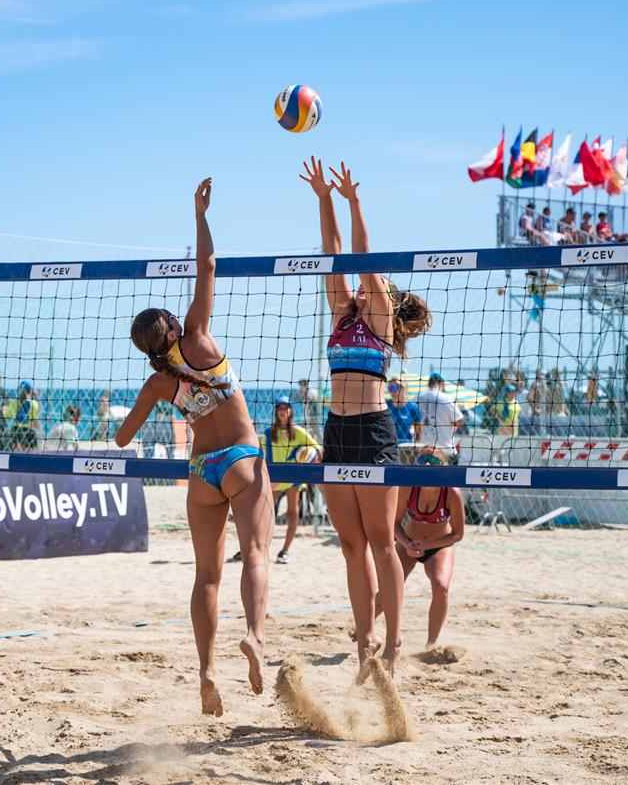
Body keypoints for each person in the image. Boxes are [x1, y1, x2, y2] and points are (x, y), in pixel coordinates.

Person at [115, 177, 272, 716]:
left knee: (207, 576)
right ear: (173, 328)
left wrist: (153, 399)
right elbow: (207, 266)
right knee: (255, 554)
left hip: (202, 470)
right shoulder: (198, 337)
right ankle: (254, 636)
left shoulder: (158, 384)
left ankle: (207, 671)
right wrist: (200, 213)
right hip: (243, 460)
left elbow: (123, 437)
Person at [302, 156, 432, 679]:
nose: (359, 288)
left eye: (371, 285)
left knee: (382, 543)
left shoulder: (379, 317)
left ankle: (395, 644)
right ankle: (365, 644)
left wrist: (354, 201)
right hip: (337, 430)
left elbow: (361, 260)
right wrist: (323, 200)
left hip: (375, 431)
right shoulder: (341, 315)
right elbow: (333, 257)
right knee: (351, 546)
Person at [374, 448, 465, 650]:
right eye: (422, 459)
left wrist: (427, 545)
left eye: (433, 460)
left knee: (441, 587)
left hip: (439, 546)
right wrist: (407, 543)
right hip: (409, 541)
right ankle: (364, 626)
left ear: (443, 467)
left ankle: (431, 645)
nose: (427, 464)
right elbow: (393, 523)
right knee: (390, 585)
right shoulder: (409, 487)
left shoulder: (451, 492)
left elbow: (458, 534)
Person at [265, 396, 320, 565]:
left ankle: (285, 551)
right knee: (265, 515)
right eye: (280, 408)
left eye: (286, 408)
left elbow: (318, 449)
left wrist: (309, 459)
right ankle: (257, 547)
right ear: (276, 411)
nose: (283, 411)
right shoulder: (269, 433)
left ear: (291, 411)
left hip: (293, 478)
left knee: (292, 513)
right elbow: (262, 455)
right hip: (274, 478)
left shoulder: (299, 432)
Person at [417, 372, 465, 460]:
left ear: (429, 383)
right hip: (444, 450)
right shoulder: (446, 398)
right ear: (442, 384)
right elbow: (460, 422)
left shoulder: (417, 398)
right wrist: (451, 424)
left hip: (423, 450)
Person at [2, 381, 41, 450]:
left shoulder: (14, 403)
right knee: (33, 451)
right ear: (31, 391)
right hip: (29, 431)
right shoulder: (34, 404)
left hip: (16, 430)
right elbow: (35, 421)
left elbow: (7, 415)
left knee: (17, 451)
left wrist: (6, 407)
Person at [386, 377, 422, 444]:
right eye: (390, 389)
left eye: (394, 388)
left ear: (403, 388)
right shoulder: (385, 405)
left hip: (405, 446)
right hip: (388, 446)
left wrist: (416, 446)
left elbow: (419, 431)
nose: (392, 391)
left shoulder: (412, 407)